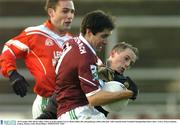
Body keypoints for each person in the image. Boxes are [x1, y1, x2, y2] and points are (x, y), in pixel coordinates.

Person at [55, 10, 137, 120]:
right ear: (89, 32)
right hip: (76, 112)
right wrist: (127, 94)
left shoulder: (74, 42)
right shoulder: (85, 56)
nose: (105, 41)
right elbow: (94, 99)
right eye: (103, 36)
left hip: (74, 109)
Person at [0, 0, 75, 118]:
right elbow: (8, 50)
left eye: (72, 12)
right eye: (65, 11)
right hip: (47, 102)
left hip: (70, 101)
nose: (70, 16)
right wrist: (12, 73)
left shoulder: (73, 40)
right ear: (51, 12)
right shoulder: (34, 34)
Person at [36, 42, 139, 119]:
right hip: (60, 112)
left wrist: (129, 89)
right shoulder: (90, 62)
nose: (127, 64)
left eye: (131, 63)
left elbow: (134, 91)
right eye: (126, 58)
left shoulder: (120, 84)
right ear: (113, 53)